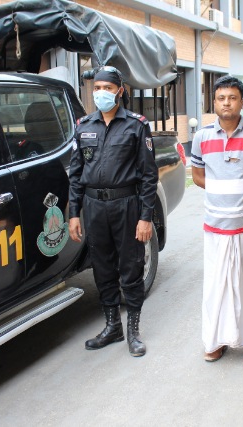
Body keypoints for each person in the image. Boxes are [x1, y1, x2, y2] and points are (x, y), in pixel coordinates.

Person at [68, 66, 158, 357]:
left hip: (126, 205)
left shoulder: (136, 125)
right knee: (102, 267)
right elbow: (76, 174)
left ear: (120, 91)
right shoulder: (84, 125)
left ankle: (133, 330)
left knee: (131, 268)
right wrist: (73, 213)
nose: (101, 93)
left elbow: (148, 176)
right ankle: (112, 326)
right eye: (97, 88)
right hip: (94, 207)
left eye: (107, 88)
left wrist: (146, 217)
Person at [191, 75, 243, 365]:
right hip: (215, 225)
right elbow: (197, 176)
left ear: (242, 102)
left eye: (232, 98)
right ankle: (216, 340)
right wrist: (222, 192)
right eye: (221, 98)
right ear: (214, 102)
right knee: (217, 286)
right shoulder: (201, 137)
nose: (226, 103)